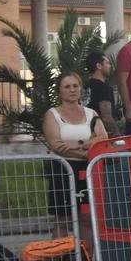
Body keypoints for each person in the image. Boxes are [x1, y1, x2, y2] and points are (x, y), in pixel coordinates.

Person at [42, 70, 107, 245]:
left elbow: (102, 139)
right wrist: (87, 148)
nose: (72, 90)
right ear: (59, 91)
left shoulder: (91, 113)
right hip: (62, 170)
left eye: (75, 86)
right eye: (67, 86)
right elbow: (57, 146)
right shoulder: (52, 115)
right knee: (62, 219)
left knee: (86, 218)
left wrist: (79, 144)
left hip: (87, 170)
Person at [83, 50, 120, 134]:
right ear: (99, 66)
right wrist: (117, 135)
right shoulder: (104, 87)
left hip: (86, 132)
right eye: (107, 63)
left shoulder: (86, 86)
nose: (110, 66)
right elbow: (106, 117)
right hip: (101, 135)